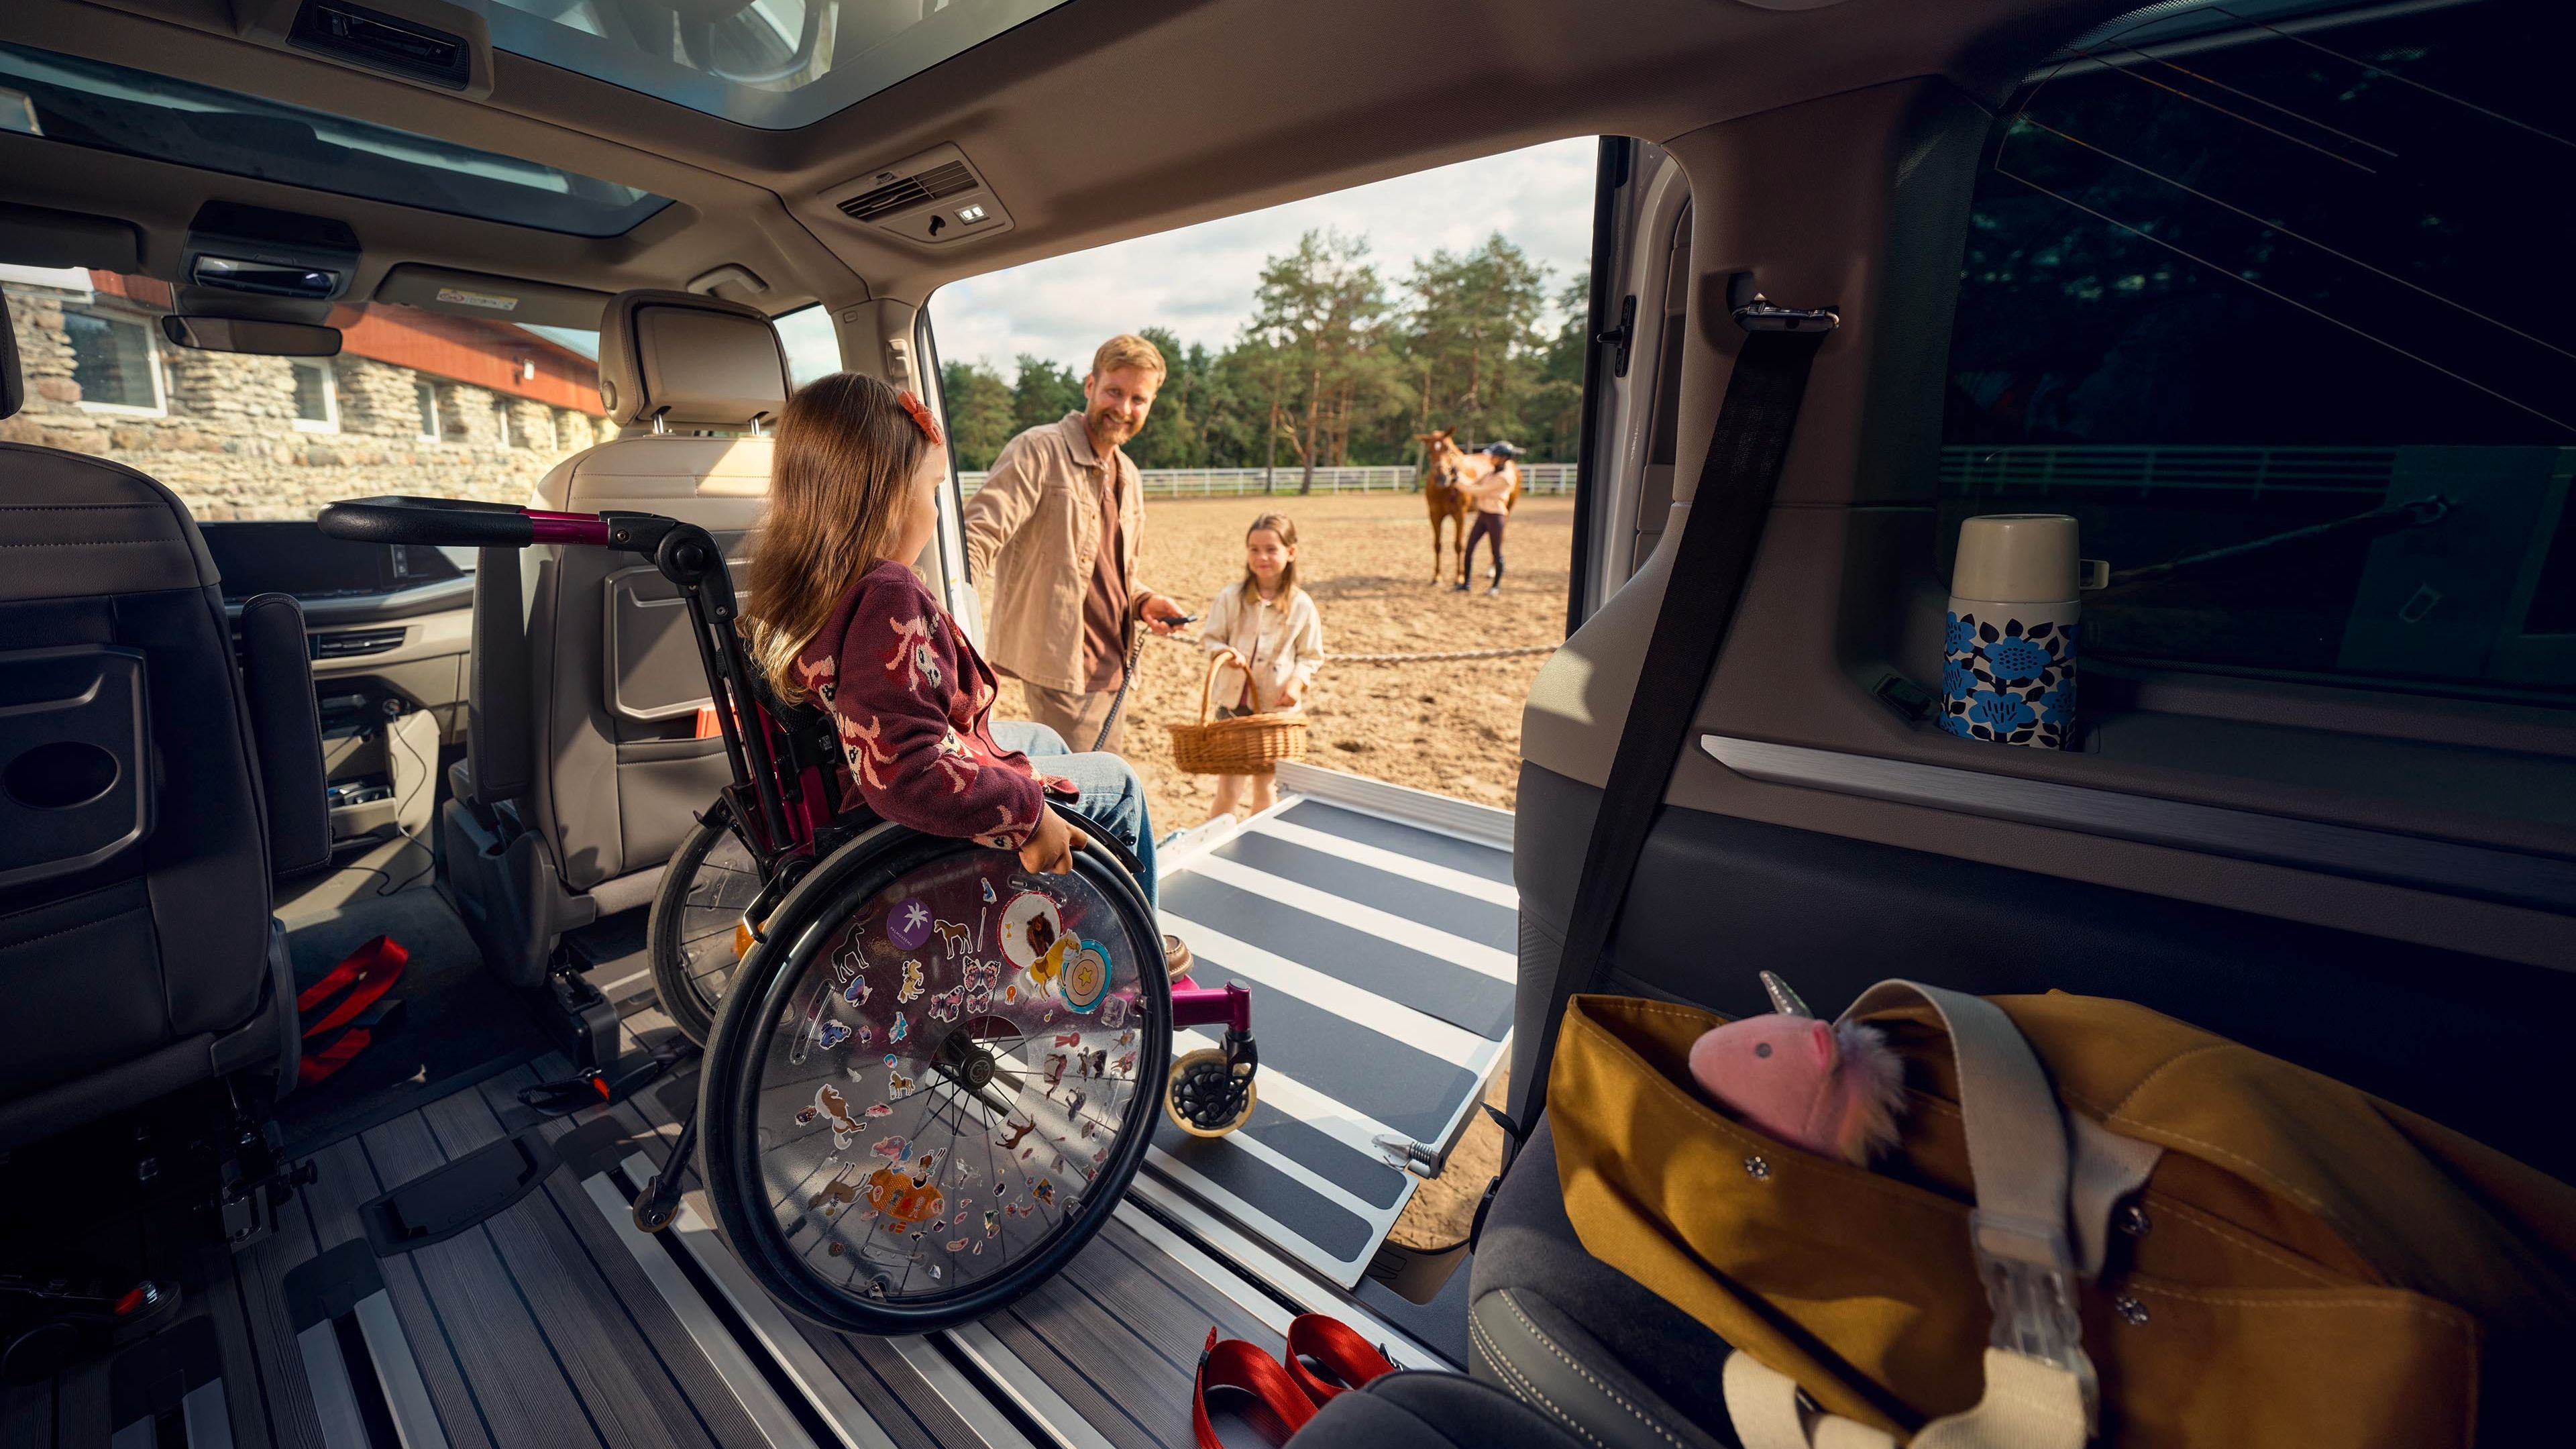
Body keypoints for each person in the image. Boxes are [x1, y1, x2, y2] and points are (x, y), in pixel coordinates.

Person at [739, 371, 1189, 973]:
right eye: (930, 491)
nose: (933, 508)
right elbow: (908, 769)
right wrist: (1027, 813)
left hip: (855, 778)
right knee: (1120, 784)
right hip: (903, 818)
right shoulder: (888, 596)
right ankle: (1130, 956)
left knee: (1046, 741)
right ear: (885, 494)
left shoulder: (804, 578)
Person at [962, 334, 1191, 754]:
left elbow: (1112, 574)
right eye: (1114, 392)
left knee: (1103, 787)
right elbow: (975, 538)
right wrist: (948, 621)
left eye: (1138, 399)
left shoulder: (1129, 474)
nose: (1124, 409)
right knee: (1086, 802)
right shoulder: (1037, 450)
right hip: (1063, 666)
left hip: (1116, 666)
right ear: (1090, 386)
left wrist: (1143, 602)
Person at [1200, 513, 1325, 821]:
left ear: (1291, 552)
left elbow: (1311, 656)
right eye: (1254, 549)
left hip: (1275, 711)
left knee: (1266, 788)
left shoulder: (1302, 604)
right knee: (1228, 789)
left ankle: (1257, 848)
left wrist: (1296, 684)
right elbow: (1210, 640)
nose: (1262, 557)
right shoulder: (1230, 597)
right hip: (1233, 708)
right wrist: (1225, 653)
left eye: (1271, 549)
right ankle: (1215, 843)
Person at [1457, 440, 1518, 595]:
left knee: (1496, 552)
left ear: (1503, 458)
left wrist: (1456, 484)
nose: (1490, 458)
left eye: (1494, 456)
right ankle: (1466, 583)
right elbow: (1472, 482)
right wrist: (1457, 476)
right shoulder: (1491, 472)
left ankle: (1495, 586)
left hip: (1495, 517)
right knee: (1469, 549)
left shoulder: (1505, 477)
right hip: (1483, 515)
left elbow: (1479, 491)